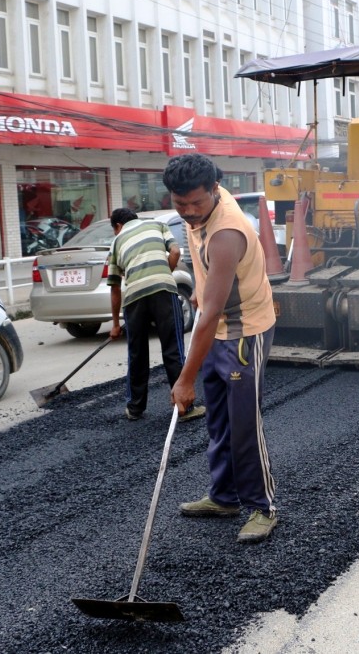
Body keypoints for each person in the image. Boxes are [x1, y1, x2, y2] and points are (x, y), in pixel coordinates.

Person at [165, 153, 279, 544]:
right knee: (218, 419)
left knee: (244, 424)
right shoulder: (198, 203)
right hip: (216, 328)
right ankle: (224, 496)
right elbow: (207, 297)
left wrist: (185, 378)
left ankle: (262, 507)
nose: (190, 212)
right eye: (180, 205)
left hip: (244, 331)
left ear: (214, 190)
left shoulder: (226, 233)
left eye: (197, 203)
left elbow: (211, 311)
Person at [108, 207, 204, 422]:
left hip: (133, 298)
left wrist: (115, 325)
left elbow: (115, 288)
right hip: (164, 292)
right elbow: (176, 253)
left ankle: (135, 408)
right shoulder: (157, 225)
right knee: (173, 348)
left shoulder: (116, 242)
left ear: (118, 226)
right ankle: (185, 408)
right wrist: (162, 275)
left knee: (137, 353)